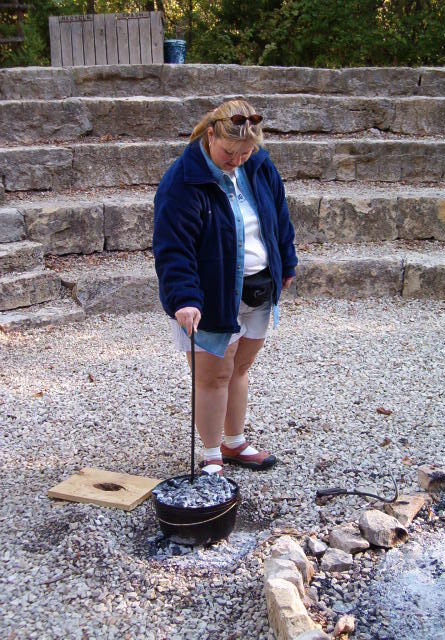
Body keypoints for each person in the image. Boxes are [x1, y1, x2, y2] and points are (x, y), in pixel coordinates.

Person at [153, 99, 297, 475]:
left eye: (245, 153)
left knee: (240, 368)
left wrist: (287, 261)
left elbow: (279, 218)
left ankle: (235, 444)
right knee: (213, 375)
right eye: (230, 153)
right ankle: (212, 453)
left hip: (258, 289)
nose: (237, 161)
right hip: (211, 293)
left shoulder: (261, 166)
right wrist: (183, 297)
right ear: (211, 134)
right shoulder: (182, 182)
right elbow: (173, 248)